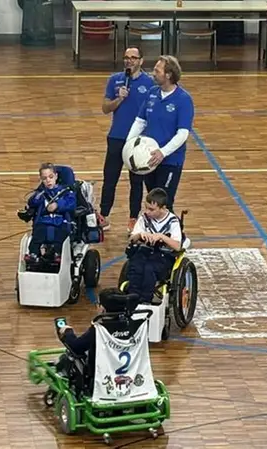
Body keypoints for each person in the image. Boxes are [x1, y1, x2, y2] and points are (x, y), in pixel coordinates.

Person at [126, 55, 194, 212]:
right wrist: (129, 144)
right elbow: (140, 121)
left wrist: (163, 152)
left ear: (168, 75)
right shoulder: (152, 93)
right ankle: (154, 234)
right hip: (149, 160)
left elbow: (183, 133)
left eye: (157, 70)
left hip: (170, 161)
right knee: (153, 201)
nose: (153, 73)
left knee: (164, 202)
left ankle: (173, 234)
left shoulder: (183, 99)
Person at [99, 47, 153, 233]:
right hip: (116, 137)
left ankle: (133, 217)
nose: (129, 61)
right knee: (110, 179)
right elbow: (106, 108)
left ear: (141, 60)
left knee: (136, 181)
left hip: (138, 141)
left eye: (133, 58)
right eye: (126, 58)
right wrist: (118, 99)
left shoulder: (151, 83)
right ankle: (103, 215)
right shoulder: (115, 80)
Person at [125, 188, 182, 304]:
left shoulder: (172, 221)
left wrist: (161, 237)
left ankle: (145, 300)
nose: (147, 212)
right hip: (145, 250)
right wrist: (140, 234)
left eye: (151, 209)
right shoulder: (144, 218)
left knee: (149, 269)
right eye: (146, 207)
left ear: (163, 208)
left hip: (164, 254)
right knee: (135, 266)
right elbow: (132, 239)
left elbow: (177, 246)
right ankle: (132, 298)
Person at [23, 163, 77, 262]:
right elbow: (32, 202)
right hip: (44, 221)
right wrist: (36, 197)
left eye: (50, 177)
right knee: (38, 235)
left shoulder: (65, 191)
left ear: (56, 176)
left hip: (61, 221)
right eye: (44, 178)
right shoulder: (41, 193)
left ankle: (58, 253)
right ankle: (33, 253)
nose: (48, 180)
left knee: (60, 235)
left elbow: (71, 203)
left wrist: (58, 205)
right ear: (41, 179)